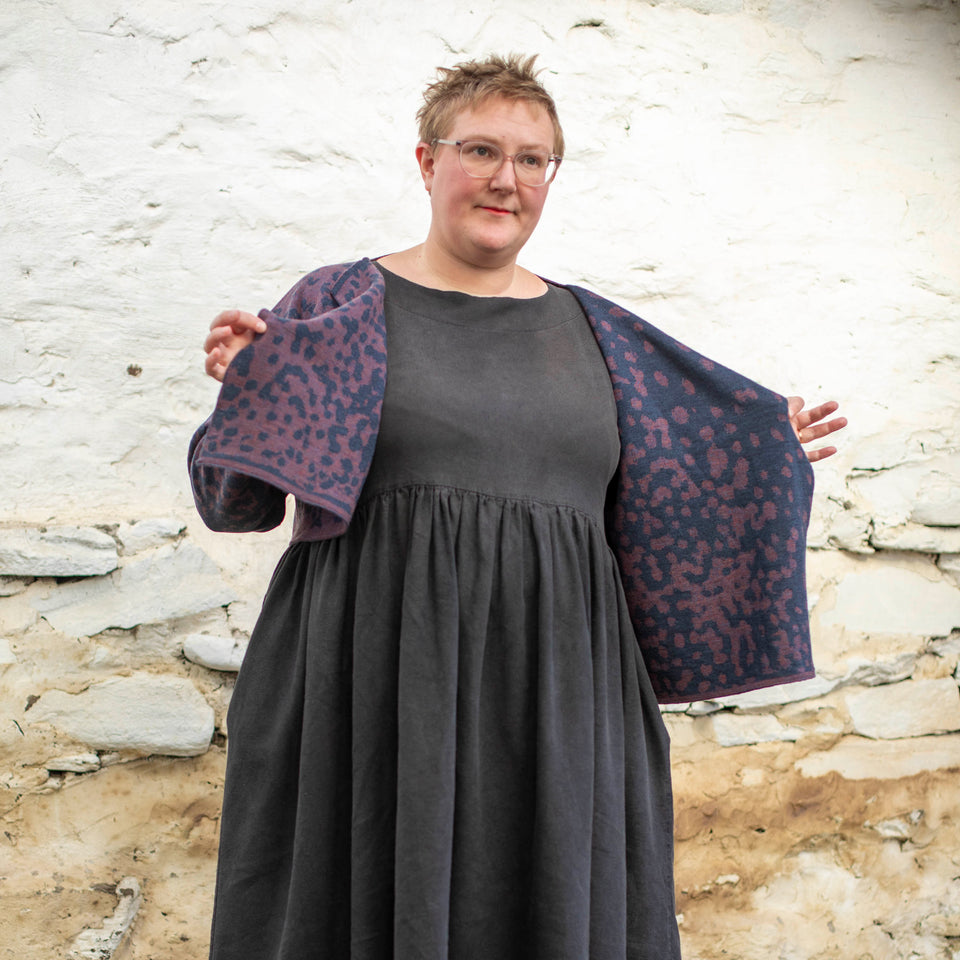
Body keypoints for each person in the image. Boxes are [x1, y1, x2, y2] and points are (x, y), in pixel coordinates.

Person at [190, 54, 845, 960]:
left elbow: (691, 470)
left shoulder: (600, 334)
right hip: (367, 690)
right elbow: (236, 504)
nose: (508, 178)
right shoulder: (338, 306)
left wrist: (764, 449)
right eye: (482, 150)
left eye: (533, 160)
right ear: (427, 162)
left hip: (558, 701)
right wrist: (242, 395)